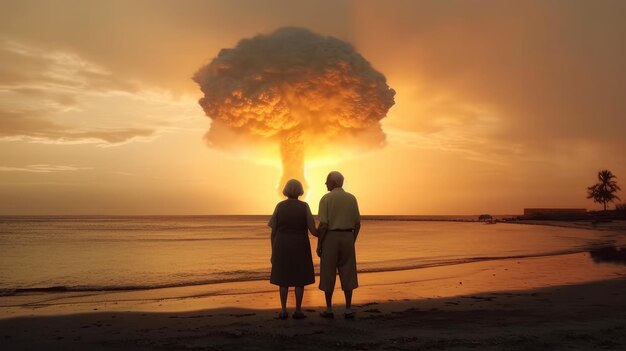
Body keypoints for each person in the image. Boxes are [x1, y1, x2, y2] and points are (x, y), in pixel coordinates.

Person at [268, 179, 318, 319]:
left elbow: (273, 232)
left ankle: (283, 310)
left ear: (286, 190)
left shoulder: (280, 206)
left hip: (282, 245)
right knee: (299, 279)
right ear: (300, 191)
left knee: (283, 279)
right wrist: (325, 231)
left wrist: (273, 251)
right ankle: (298, 310)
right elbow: (313, 230)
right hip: (300, 244)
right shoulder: (304, 206)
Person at [316, 171, 361, 319]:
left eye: (327, 181)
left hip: (331, 237)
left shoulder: (326, 199)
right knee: (348, 272)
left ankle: (329, 309)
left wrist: (319, 243)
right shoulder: (351, 198)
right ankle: (348, 308)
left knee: (328, 272)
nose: (325, 184)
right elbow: (357, 224)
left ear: (333, 183)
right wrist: (351, 239)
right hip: (348, 236)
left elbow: (323, 225)